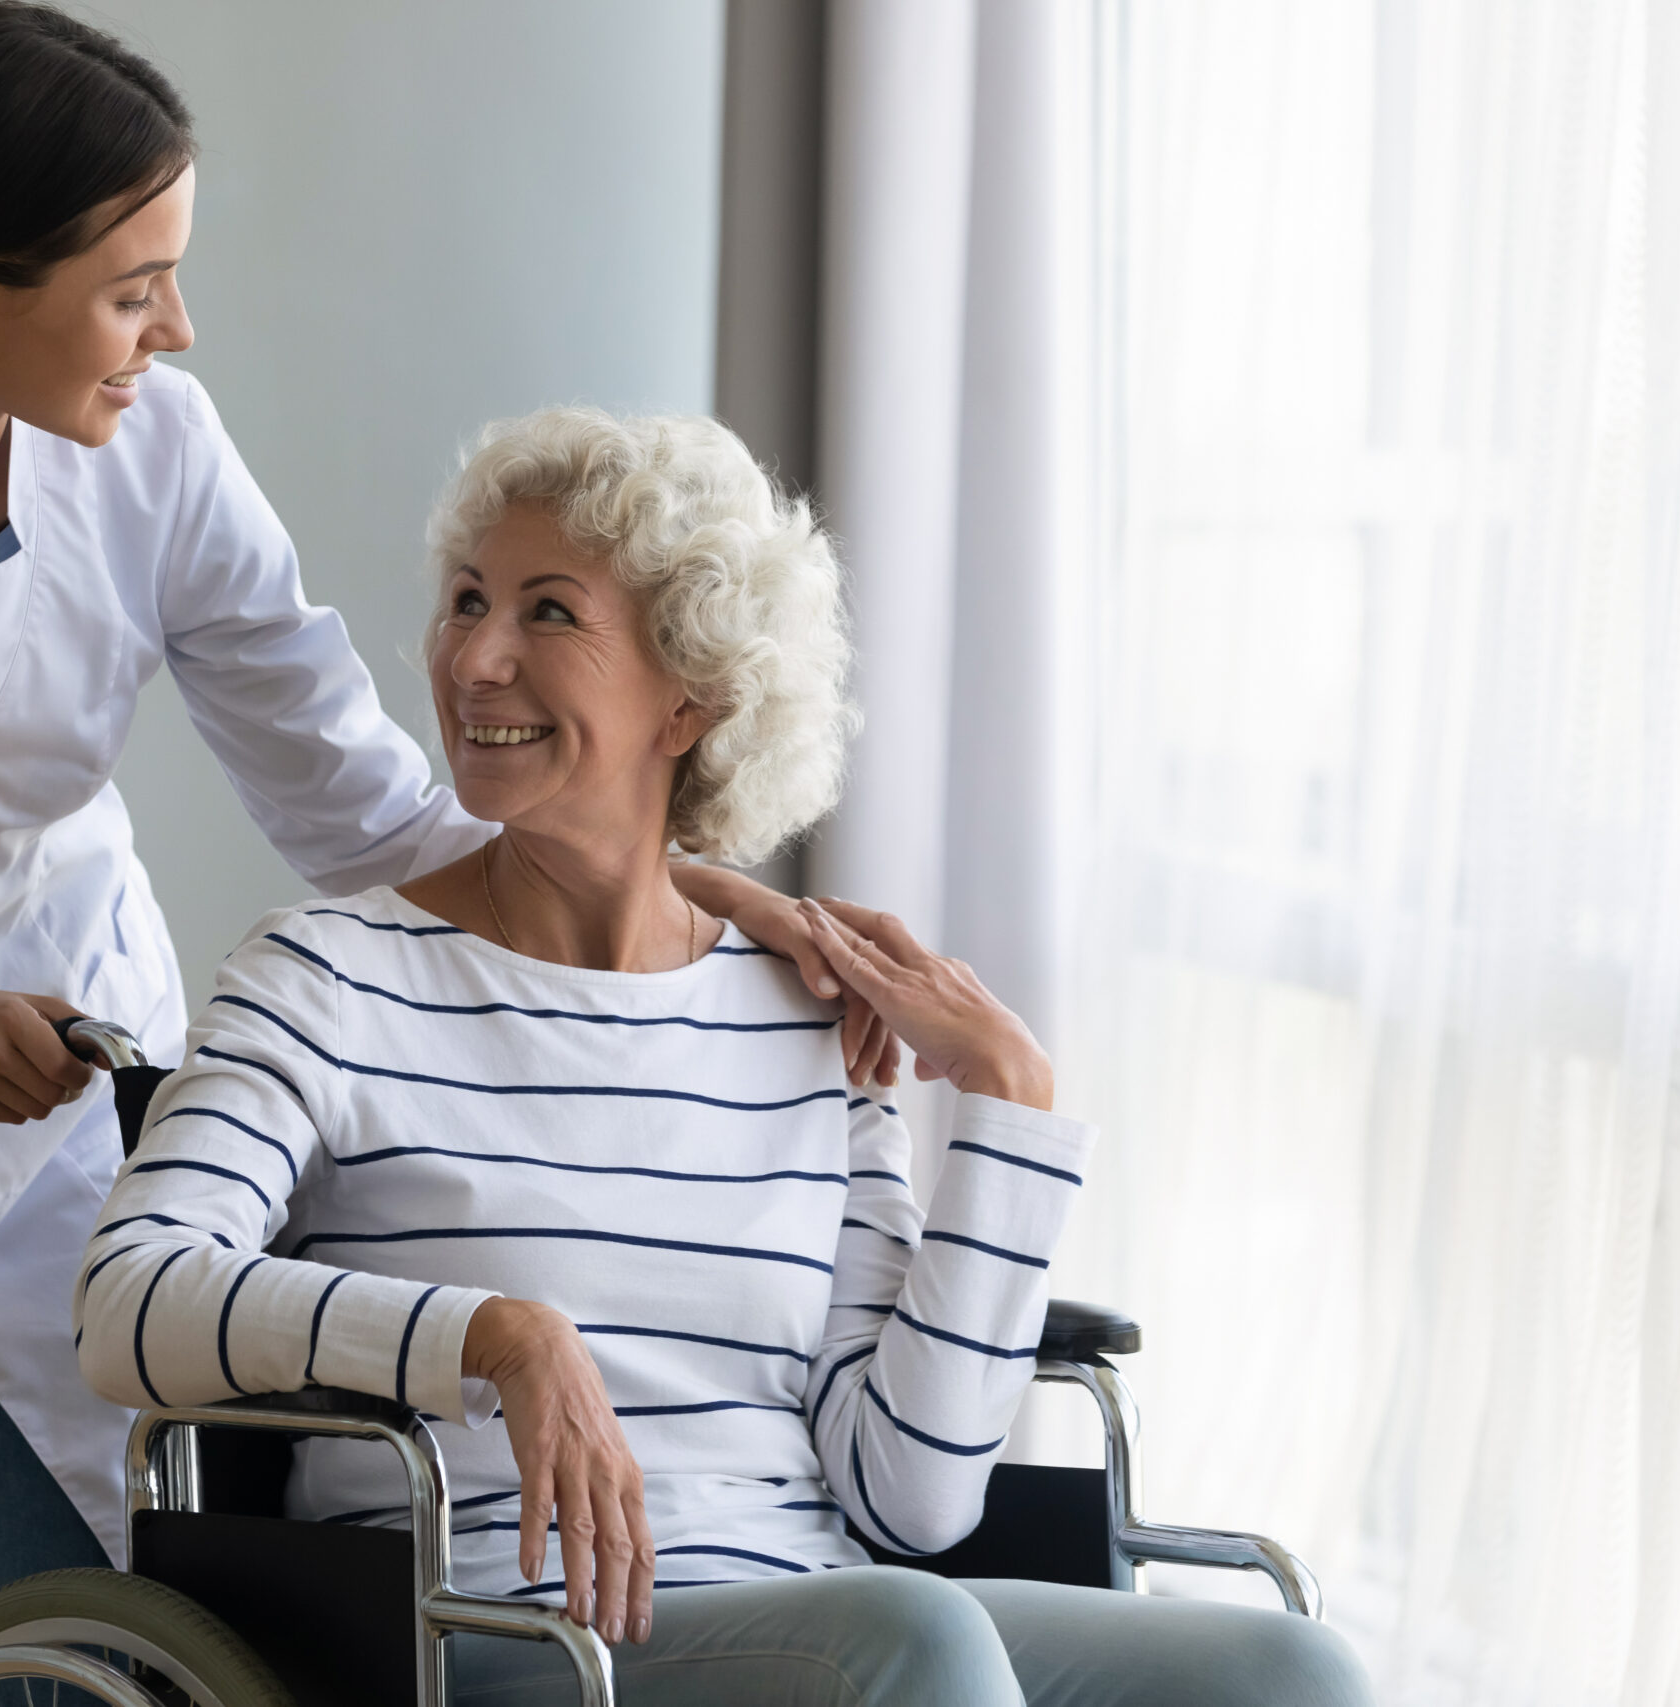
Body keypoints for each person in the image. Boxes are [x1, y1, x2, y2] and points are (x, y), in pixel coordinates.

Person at [0, 10, 862, 1704]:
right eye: (135, 284)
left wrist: (684, 894)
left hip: (61, 1155)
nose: (176, 326)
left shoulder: (157, 450)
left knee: (102, 1644)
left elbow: (352, 794)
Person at [79, 407, 1375, 1706]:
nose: (474, 657)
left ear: (690, 694)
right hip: (490, 1630)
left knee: (1284, 1667)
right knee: (915, 1646)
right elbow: (131, 1303)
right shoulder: (328, 975)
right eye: (466, 600)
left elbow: (910, 1501)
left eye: (547, 613)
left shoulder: (801, 1022)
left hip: (829, 1614)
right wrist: (493, 1338)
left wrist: (1008, 1112)